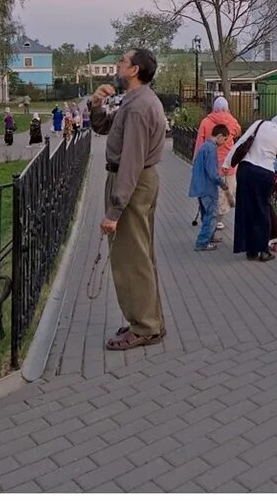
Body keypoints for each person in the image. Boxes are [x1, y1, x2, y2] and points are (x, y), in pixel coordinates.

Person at [89, 49, 168, 351]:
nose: (118, 65)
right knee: (141, 255)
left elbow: (131, 162)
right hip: (139, 182)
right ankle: (149, 321)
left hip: (131, 183)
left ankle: (144, 327)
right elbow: (104, 127)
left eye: (122, 61)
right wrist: (96, 104)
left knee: (131, 259)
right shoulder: (137, 101)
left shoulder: (138, 107)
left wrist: (114, 211)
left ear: (134, 70)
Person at [228, 112, 277, 262]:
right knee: (262, 210)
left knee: (245, 209)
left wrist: (227, 163)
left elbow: (240, 142)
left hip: (245, 170)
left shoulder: (259, 124)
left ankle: (249, 250)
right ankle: (263, 250)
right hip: (263, 174)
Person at [194, 96, 241, 232]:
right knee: (228, 191)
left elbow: (199, 143)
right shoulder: (231, 121)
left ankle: (211, 219)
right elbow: (238, 131)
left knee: (214, 192)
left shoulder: (206, 122)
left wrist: (197, 161)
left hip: (211, 164)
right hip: (229, 164)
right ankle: (220, 219)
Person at [190, 124, 231, 251]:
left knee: (205, 214)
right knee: (211, 215)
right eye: (224, 139)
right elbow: (213, 173)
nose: (224, 143)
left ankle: (209, 236)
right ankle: (202, 242)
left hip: (200, 186)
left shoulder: (204, 147)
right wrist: (222, 183)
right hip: (208, 188)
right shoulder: (211, 149)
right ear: (219, 136)